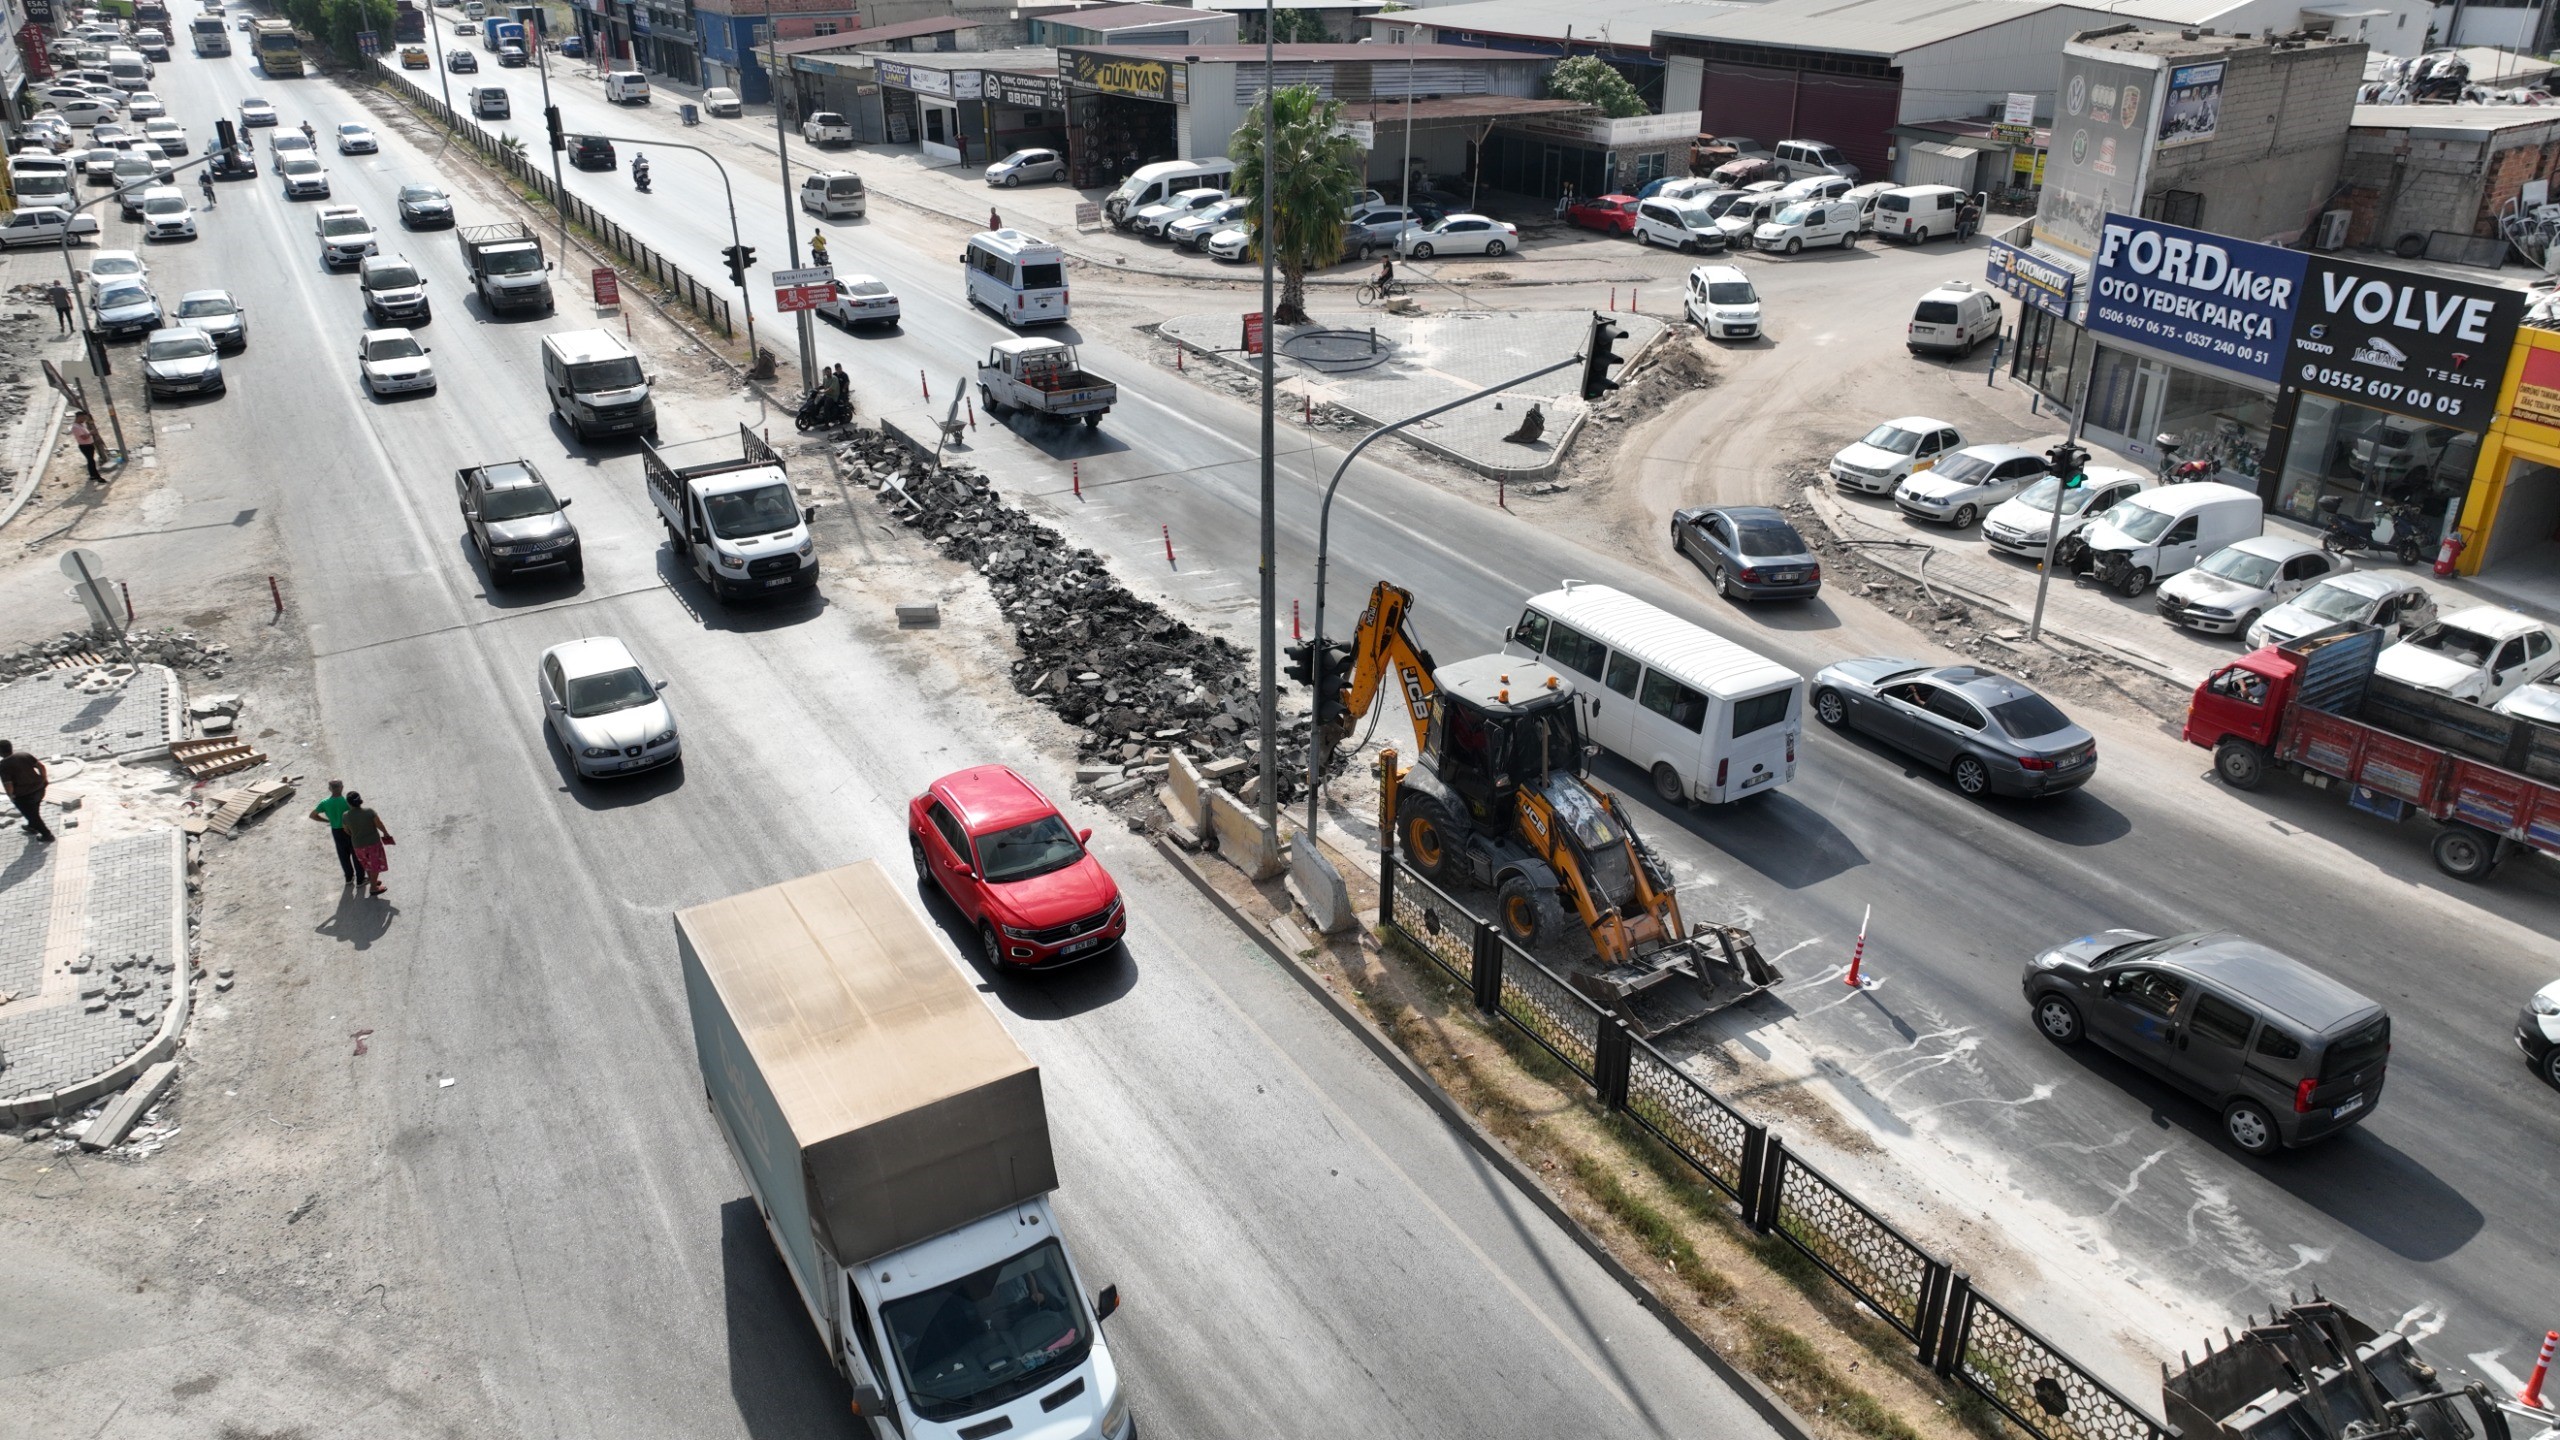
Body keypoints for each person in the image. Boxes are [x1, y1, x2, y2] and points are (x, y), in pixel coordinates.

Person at [341, 791, 394, 897]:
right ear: (360, 800)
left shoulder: (345, 816)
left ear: (348, 803)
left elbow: (346, 830)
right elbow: (379, 824)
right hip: (373, 843)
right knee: (375, 865)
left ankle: (372, 881)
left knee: (367, 864)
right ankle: (374, 888)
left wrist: (354, 834)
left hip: (358, 845)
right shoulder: (369, 812)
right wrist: (385, 833)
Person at [308, 779, 358, 885]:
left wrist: (327, 820)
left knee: (343, 855)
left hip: (336, 831)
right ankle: (360, 879)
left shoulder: (325, 803)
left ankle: (349, 877)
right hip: (350, 830)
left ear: (329, 789)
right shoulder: (347, 801)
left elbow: (312, 815)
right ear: (342, 788)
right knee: (355, 853)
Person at [0, 741, 51, 843]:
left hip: (24, 795)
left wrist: (11, 795)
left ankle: (47, 835)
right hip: (39, 789)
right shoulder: (23, 755)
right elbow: (41, 766)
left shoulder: (3, 765)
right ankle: (31, 826)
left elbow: (8, 784)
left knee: (32, 815)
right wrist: (43, 779)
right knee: (34, 810)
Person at [71, 410, 102, 484]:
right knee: (91, 461)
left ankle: (93, 475)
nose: (84, 420)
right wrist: (91, 433)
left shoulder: (81, 425)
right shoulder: (75, 427)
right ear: (79, 417)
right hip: (85, 446)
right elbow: (84, 437)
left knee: (91, 461)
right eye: (84, 418)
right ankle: (95, 475)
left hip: (89, 445)